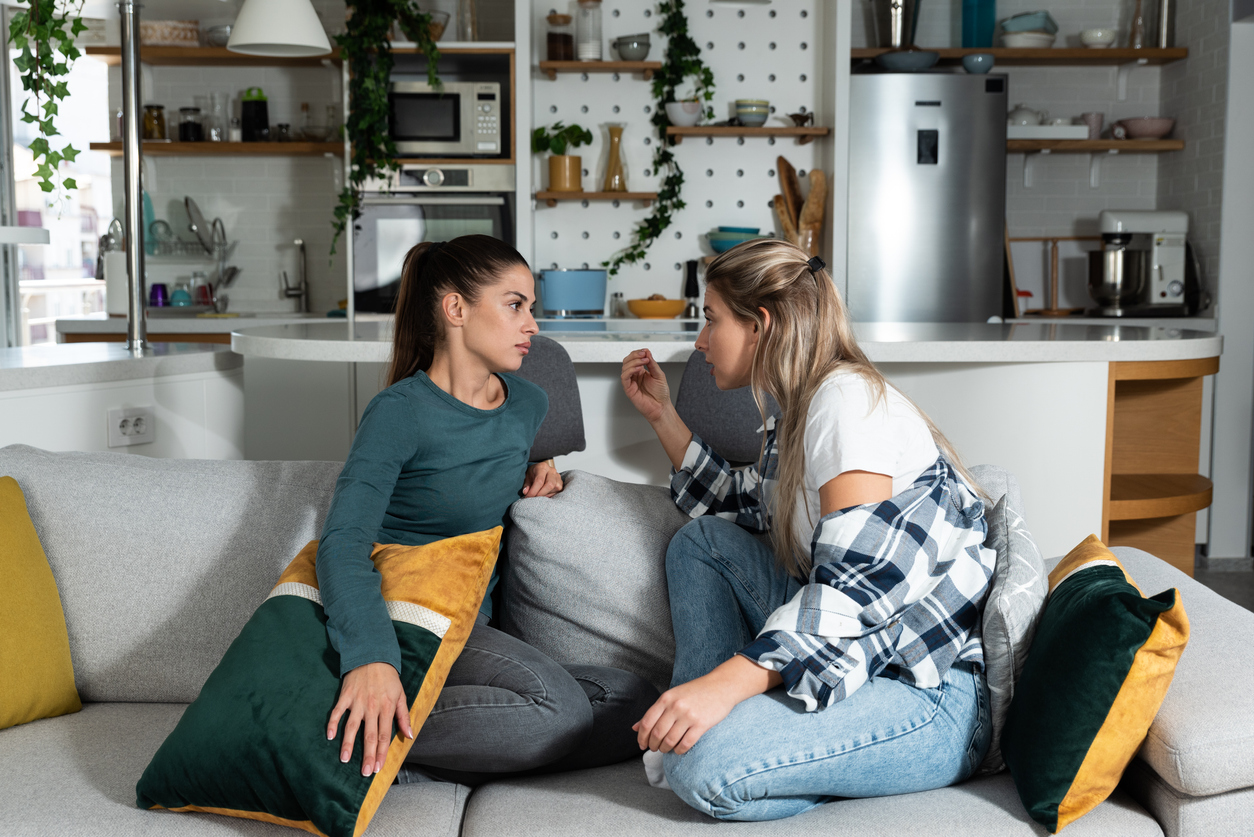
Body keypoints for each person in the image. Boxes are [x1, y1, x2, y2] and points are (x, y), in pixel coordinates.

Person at [619, 238, 995, 821]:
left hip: (926, 688)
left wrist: (724, 686)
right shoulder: (797, 410)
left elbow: (855, 592)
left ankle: (718, 742)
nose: (699, 342)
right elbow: (735, 501)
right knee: (703, 543)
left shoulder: (846, 404)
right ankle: (695, 726)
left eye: (711, 320)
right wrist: (662, 415)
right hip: (865, 656)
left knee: (701, 768)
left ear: (761, 325)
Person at [318, 235, 657, 785]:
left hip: (473, 627)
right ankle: (342, 736)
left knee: (635, 700)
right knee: (558, 709)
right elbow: (342, 543)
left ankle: (429, 759)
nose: (532, 325)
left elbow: (488, 453)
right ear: (456, 309)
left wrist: (542, 462)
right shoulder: (398, 412)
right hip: (408, 616)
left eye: (531, 308)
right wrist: (370, 659)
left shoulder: (528, 404)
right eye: (515, 305)